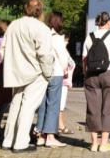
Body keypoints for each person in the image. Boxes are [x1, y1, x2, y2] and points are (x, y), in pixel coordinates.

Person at [1, 0, 54, 153]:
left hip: (16, 72)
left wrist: (11, 67)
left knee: (15, 105)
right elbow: (44, 55)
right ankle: (21, 143)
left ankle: (8, 140)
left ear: (25, 8)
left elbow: (3, 49)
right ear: (40, 10)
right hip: (36, 73)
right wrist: (48, 74)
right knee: (28, 107)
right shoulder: (41, 28)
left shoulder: (13, 25)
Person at [82, 11, 110, 152]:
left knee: (93, 109)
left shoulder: (89, 37)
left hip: (92, 75)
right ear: (108, 22)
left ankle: (94, 144)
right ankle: (104, 144)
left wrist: (85, 73)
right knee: (109, 108)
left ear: (97, 22)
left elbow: (84, 59)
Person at [34, 11, 68, 148]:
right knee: (53, 104)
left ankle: (41, 135)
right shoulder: (57, 37)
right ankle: (50, 136)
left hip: (42, 73)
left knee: (43, 105)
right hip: (56, 72)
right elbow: (63, 57)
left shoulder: (42, 34)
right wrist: (65, 69)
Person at [58, 34, 76, 134]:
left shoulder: (63, 51)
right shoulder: (62, 51)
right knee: (60, 106)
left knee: (60, 105)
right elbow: (69, 64)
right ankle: (60, 126)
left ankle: (59, 125)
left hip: (63, 81)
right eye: (66, 40)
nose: (67, 42)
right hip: (62, 81)